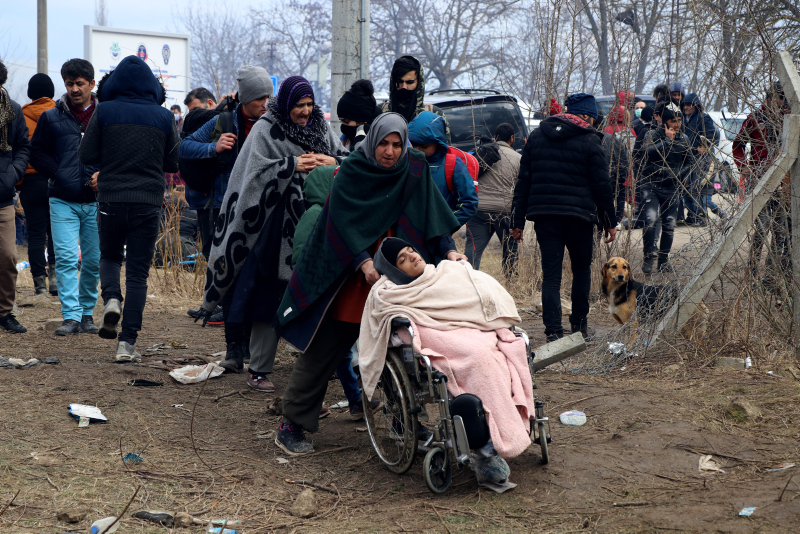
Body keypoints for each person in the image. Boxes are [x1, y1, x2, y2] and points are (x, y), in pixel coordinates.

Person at [273, 112, 466, 455]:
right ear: (372, 142)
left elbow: (433, 218)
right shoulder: (353, 171)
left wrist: (450, 251)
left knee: (398, 349)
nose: (390, 152)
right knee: (326, 347)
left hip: (397, 277)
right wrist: (362, 261)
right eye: (383, 144)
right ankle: (291, 424)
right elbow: (339, 224)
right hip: (352, 276)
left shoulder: (414, 169)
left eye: (396, 144)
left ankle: (402, 421)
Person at [198, 75, 348, 388]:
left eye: (309, 104)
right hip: (273, 231)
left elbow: (349, 161)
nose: (306, 111)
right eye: (299, 105)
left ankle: (327, 363)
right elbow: (251, 175)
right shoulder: (267, 129)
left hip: (317, 226)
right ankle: (259, 370)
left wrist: (332, 160)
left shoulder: (321, 127)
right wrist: (291, 165)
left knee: (319, 294)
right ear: (285, 105)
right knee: (269, 298)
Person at [360, 237, 533, 483]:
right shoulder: (392, 293)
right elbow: (389, 330)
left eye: (411, 250)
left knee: (501, 352)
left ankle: (497, 427)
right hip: (440, 338)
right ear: (394, 271)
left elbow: (480, 289)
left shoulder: (445, 272)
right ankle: (486, 442)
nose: (412, 256)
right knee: (478, 358)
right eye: (402, 259)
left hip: (472, 329)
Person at [78, 55, 180, 360]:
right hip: (147, 202)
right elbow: (173, 163)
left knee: (109, 257)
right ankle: (127, 344)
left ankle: (111, 299)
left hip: (110, 198)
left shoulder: (104, 111)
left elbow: (85, 155)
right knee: (138, 273)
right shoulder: (164, 117)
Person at [511, 93, 617, 342]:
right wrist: (609, 222)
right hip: (580, 218)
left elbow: (523, 181)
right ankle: (579, 329)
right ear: (588, 115)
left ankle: (553, 333)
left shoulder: (536, 137)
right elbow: (602, 185)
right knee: (581, 272)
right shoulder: (591, 140)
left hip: (545, 217)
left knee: (551, 276)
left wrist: (516, 222)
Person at [181, 66, 274, 344]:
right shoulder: (224, 121)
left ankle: (240, 331)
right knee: (222, 264)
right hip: (222, 207)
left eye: (268, 97)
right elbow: (183, 147)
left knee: (250, 270)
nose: (265, 104)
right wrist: (214, 146)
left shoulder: (272, 124)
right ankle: (230, 334)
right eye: (259, 98)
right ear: (245, 99)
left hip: (258, 210)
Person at [30, 59, 101, 337]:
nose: (74, 89)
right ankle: (70, 316)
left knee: (93, 261)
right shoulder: (51, 117)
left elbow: (114, 152)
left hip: (96, 201)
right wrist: (58, 173)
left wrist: (103, 174)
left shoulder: (104, 116)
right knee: (67, 258)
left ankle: (87, 314)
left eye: (80, 83)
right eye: (69, 83)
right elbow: (37, 153)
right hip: (62, 199)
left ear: (91, 84)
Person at [732, 82, 790, 289]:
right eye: (774, 97)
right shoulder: (756, 118)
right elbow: (737, 145)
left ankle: (771, 275)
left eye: (781, 98)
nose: (778, 102)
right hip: (759, 180)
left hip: (784, 184)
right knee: (762, 227)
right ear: (767, 99)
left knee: (781, 230)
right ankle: (752, 271)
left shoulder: (790, 119)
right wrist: (744, 166)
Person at [639, 102, 692, 274]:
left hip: (672, 187)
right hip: (652, 185)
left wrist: (678, 176)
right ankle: (648, 257)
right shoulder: (652, 134)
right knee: (650, 221)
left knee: (669, 225)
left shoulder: (684, 139)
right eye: (673, 121)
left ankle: (663, 261)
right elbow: (647, 152)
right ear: (665, 122)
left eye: (679, 120)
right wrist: (667, 142)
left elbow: (690, 162)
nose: (677, 124)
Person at [464, 123, 520, 276]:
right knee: (510, 249)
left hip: (479, 209)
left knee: (473, 248)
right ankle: (512, 282)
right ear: (512, 138)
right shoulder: (518, 159)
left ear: (495, 137)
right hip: (504, 211)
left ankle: (467, 277)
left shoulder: (482, 153)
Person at [0, 60, 31, 333]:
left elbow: (23, 147)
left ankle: (5, 312)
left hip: (3, 197)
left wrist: (13, 172)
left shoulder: (13, 111)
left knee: (8, 257)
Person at [20, 73, 57, 297]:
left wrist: (19, 181)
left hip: (32, 182)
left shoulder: (20, 116)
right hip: (56, 180)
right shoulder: (60, 113)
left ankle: (39, 285)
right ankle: (55, 281)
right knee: (56, 233)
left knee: (35, 235)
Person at [408, 110, 478, 227]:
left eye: (424, 146)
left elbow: (469, 202)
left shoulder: (452, 164)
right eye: (414, 144)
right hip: (407, 233)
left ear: (438, 143)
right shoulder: (406, 161)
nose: (418, 149)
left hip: (438, 236)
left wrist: (444, 227)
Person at [381, 56, 451, 143]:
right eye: (400, 81)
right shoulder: (381, 112)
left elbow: (445, 150)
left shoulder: (434, 114)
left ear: (419, 82)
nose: (404, 87)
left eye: (410, 82)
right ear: (394, 82)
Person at [681, 93, 719, 226]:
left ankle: (702, 218)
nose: (686, 107)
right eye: (684, 104)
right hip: (687, 158)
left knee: (699, 190)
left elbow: (712, 135)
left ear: (695, 105)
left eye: (688, 104)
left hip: (702, 159)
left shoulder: (703, 118)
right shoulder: (682, 119)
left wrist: (702, 145)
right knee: (688, 190)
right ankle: (693, 215)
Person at [337, 79, 380, 150]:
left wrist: (336, 161)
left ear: (362, 120)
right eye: (341, 121)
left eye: (346, 121)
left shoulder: (380, 142)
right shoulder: (345, 140)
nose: (343, 126)